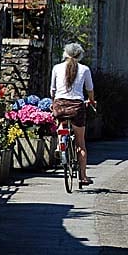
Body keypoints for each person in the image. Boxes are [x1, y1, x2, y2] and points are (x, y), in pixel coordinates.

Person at [51, 42, 95, 185]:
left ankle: (60, 143)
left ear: (65, 53)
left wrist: (54, 101)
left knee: (61, 121)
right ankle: (83, 176)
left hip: (60, 105)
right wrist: (91, 101)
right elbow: (90, 89)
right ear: (79, 55)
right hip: (76, 107)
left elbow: (52, 90)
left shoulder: (57, 68)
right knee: (80, 144)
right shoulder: (85, 69)